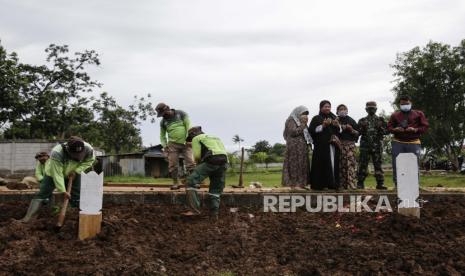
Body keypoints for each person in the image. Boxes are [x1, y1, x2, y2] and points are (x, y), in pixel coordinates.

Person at [21, 136, 95, 222]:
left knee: (76, 195)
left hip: (74, 173)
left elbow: (89, 161)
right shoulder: (57, 152)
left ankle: (74, 218)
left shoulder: (88, 149)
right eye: (74, 154)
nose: (77, 156)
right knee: (43, 193)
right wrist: (63, 191)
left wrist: (77, 170)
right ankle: (29, 219)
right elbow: (57, 174)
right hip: (52, 174)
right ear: (67, 148)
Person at [183, 126, 228, 218]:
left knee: (190, 182)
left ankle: (194, 210)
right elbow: (221, 151)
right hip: (224, 162)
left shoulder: (196, 138)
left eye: (190, 138)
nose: (191, 140)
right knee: (215, 189)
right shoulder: (215, 137)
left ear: (193, 134)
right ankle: (214, 215)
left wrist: (198, 168)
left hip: (211, 160)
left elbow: (197, 156)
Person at [387, 95, 428, 185]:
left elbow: (425, 126)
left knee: (414, 165)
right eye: (402, 104)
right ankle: (397, 185)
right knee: (397, 164)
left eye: (407, 103)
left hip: (414, 142)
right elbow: (389, 127)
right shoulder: (395, 115)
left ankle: (415, 185)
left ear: (411, 103)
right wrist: (395, 130)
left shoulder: (419, 114)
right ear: (399, 105)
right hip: (398, 142)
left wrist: (415, 129)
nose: (405, 105)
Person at [156, 103, 196, 190]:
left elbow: (188, 126)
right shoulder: (163, 122)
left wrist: (189, 139)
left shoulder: (181, 114)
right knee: (173, 164)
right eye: (162, 115)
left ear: (168, 109)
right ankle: (175, 183)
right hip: (172, 145)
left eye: (164, 114)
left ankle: (194, 182)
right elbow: (162, 135)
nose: (163, 116)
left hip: (186, 142)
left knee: (191, 162)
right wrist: (164, 146)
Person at [309, 100, 341, 191]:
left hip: (333, 146)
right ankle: (320, 185)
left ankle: (332, 184)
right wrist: (323, 125)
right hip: (321, 147)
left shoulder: (335, 118)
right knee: (321, 164)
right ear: (321, 108)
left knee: (332, 164)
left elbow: (340, 131)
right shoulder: (316, 118)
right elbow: (312, 131)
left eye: (329, 106)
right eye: (325, 106)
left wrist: (338, 126)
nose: (327, 108)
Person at [357, 101, 388, 190]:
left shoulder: (381, 120)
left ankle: (380, 183)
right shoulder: (362, 120)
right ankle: (360, 183)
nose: (371, 109)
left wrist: (380, 127)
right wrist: (362, 127)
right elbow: (357, 133)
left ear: (376, 109)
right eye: (369, 108)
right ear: (366, 109)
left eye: (373, 108)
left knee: (378, 164)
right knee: (362, 165)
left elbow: (386, 132)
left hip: (377, 146)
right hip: (365, 146)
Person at [282, 106, 312, 189]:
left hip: (302, 147)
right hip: (294, 147)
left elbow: (307, 134)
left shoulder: (303, 122)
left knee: (302, 164)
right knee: (294, 165)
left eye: (306, 114)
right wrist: (303, 124)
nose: (305, 116)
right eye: (303, 113)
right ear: (298, 112)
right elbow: (293, 132)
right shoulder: (291, 120)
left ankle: (302, 184)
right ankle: (294, 184)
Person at [336, 104, 359, 189]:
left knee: (350, 165)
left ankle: (351, 185)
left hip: (350, 145)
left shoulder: (351, 120)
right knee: (341, 165)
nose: (342, 111)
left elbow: (357, 133)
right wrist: (342, 127)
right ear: (337, 111)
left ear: (347, 110)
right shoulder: (336, 120)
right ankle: (341, 185)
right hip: (339, 145)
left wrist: (351, 130)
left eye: (344, 109)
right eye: (340, 109)